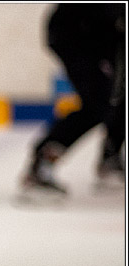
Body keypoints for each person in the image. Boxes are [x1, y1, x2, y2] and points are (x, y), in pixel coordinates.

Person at [20, 3, 126, 198]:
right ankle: (41, 163)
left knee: (116, 99)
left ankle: (111, 157)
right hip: (78, 33)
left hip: (99, 33)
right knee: (99, 103)